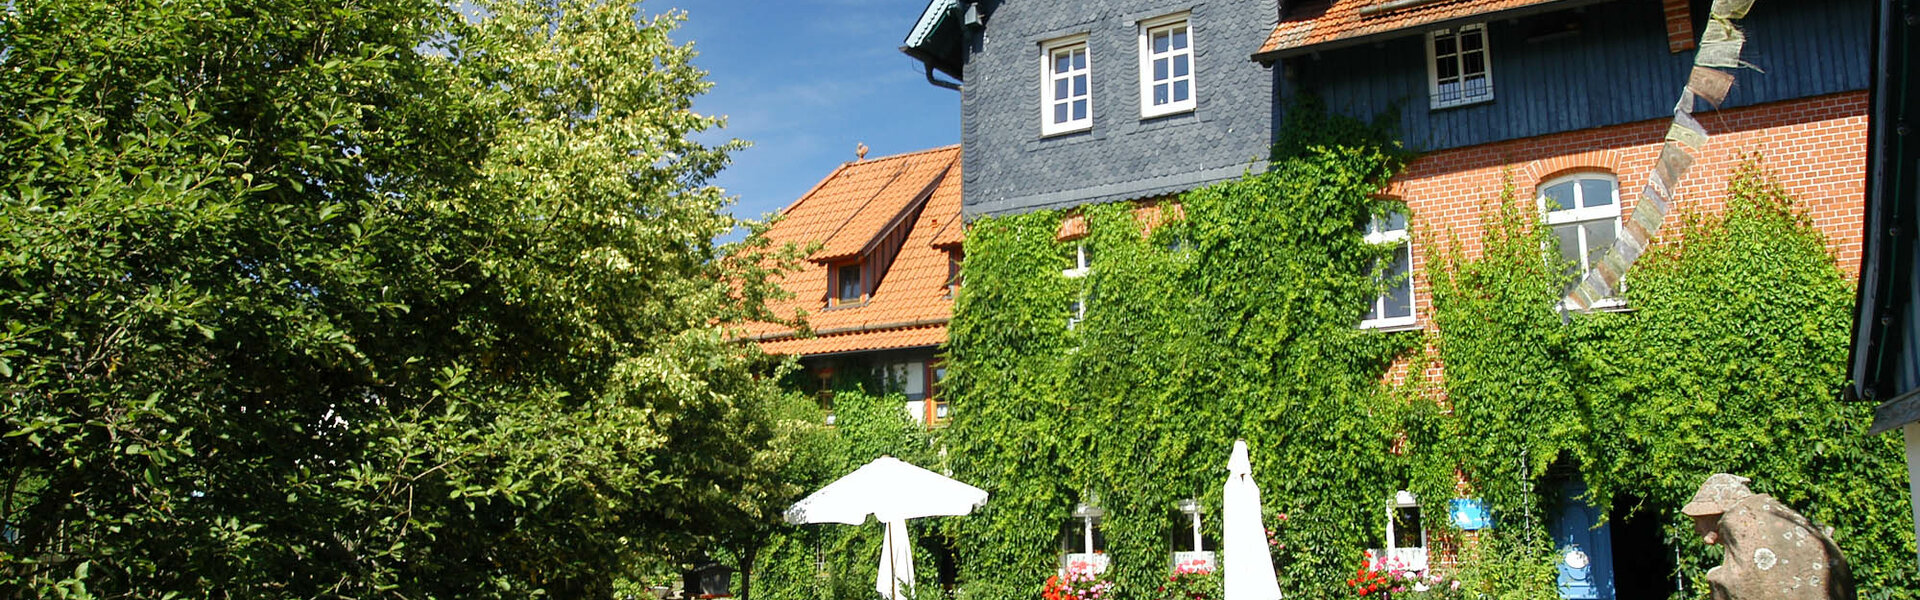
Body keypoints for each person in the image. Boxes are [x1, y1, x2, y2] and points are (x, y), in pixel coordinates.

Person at [1682, 473, 1854, 600]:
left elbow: (1746, 585)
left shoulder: (1741, 520)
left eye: (1698, 520)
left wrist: (1715, 579)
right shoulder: (1780, 523)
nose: (1697, 528)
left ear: (1715, 514)